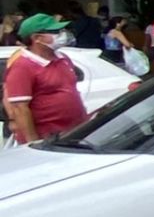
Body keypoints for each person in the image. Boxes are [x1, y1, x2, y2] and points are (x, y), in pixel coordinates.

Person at [3, 13, 89, 144]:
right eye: (55, 32)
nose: (62, 34)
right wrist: (33, 143)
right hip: (48, 140)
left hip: (73, 134)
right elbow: (20, 109)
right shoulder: (22, 66)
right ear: (37, 38)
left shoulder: (63, 58)